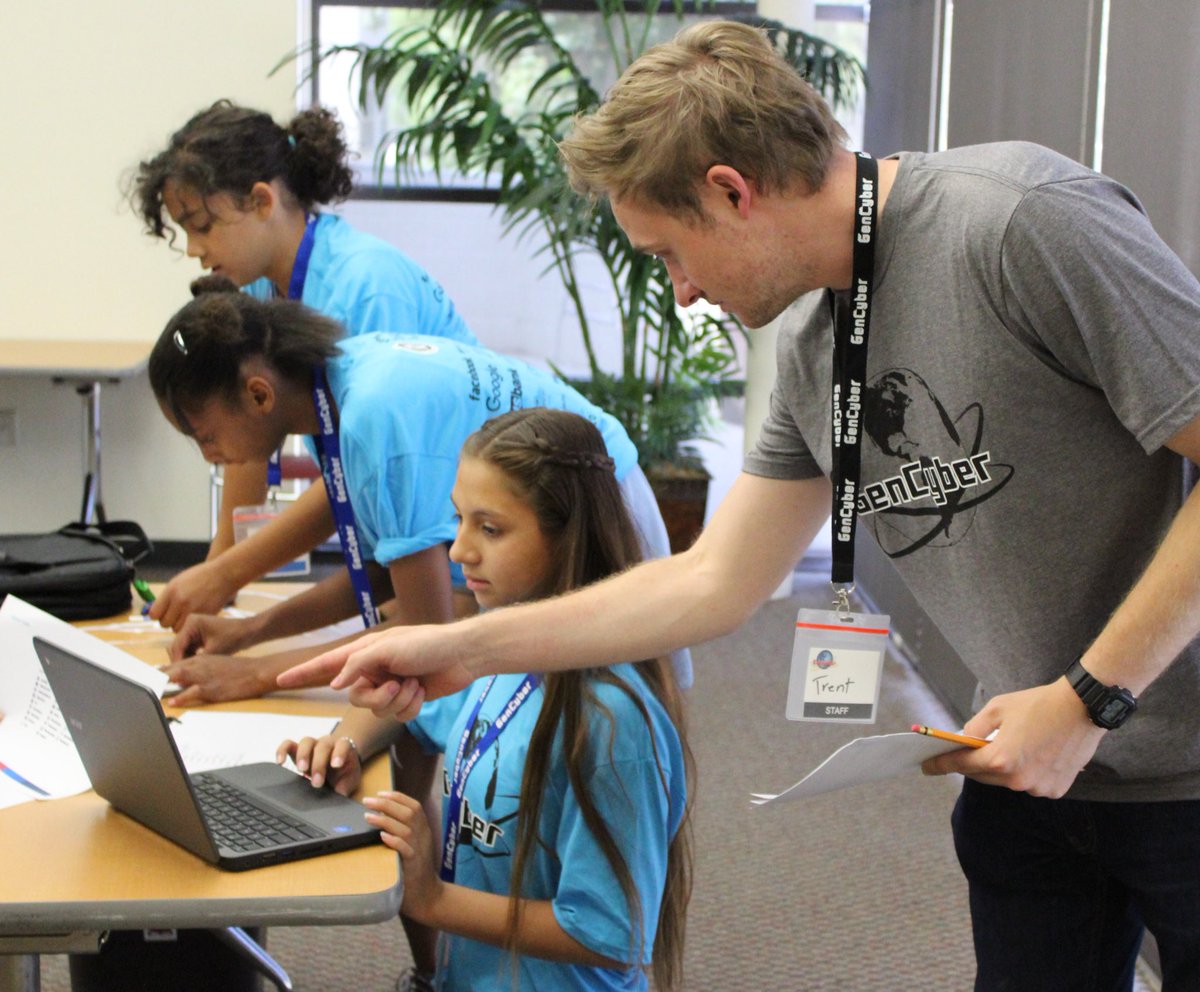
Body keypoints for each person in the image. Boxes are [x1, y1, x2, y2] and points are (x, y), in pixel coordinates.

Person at [279, 20, 1200, 992]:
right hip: (1028, 769)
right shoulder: (814, 346)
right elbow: (714, 580)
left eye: (670, 252)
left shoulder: (1021, 220)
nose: (680, 294)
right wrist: (455, 648)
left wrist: (1089, 698)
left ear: (730, 189)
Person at [279, 408, 692, 991]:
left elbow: (608, 933)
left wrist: (433, 899)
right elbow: (408, 710)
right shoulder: (496, 660)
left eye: (490, 529)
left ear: (566, 535)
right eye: (459, 520)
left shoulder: (612, 723)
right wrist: (343, 746)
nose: (457, 551)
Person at [149, 277, 686, 705]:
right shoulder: (335, 385)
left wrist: (256, 674)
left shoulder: (370, 414)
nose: (208, 455)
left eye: (205, 435)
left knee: (606, 719)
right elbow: (385, 571)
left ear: (259, 394)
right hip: (564, 506)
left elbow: (428, 632)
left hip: (593, 509)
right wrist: (246, 634)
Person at [130, 100, 476, 627]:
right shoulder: (265, 289)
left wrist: (228, 576)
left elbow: (363, 464)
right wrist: (212, 577)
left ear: (262, 200)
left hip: (458, 546)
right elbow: (245, 442)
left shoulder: (366, 286)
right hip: (410, 541)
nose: (196, 251)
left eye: (202, 225)